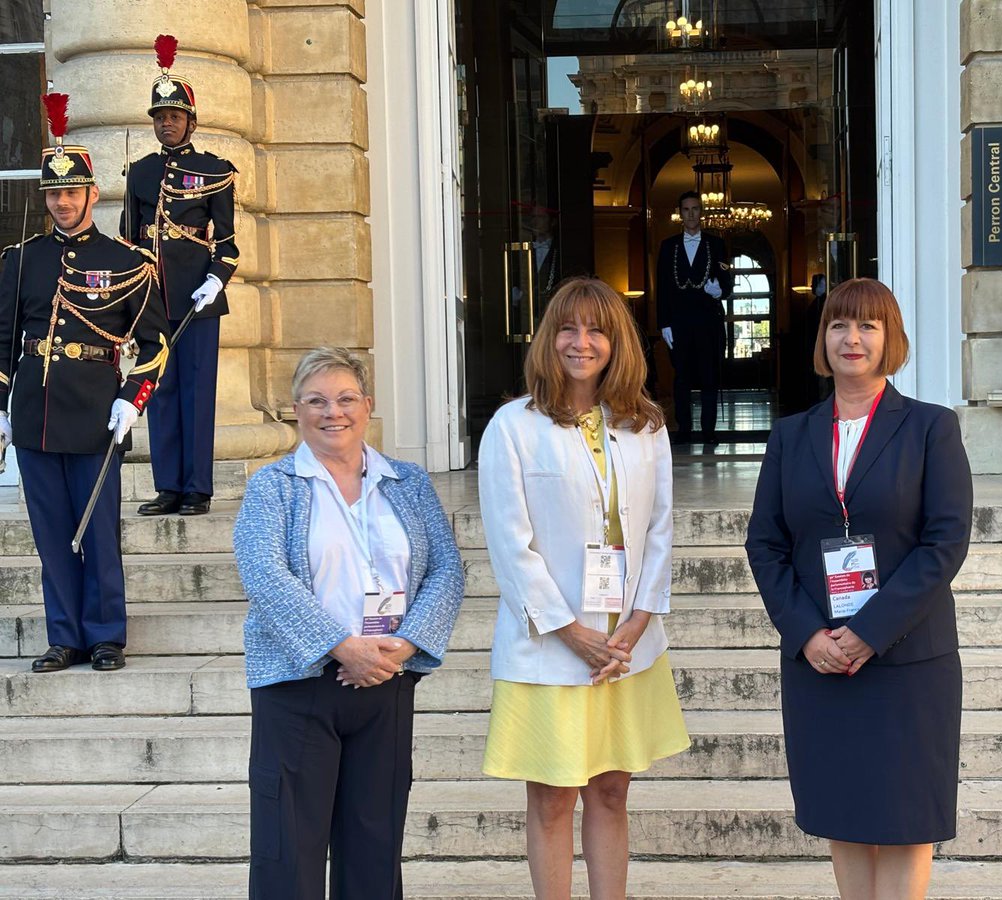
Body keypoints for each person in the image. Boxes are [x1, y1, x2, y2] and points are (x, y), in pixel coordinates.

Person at [745, 278, 972, 900]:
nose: (853, 338)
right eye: (840, 325)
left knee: (904, 823)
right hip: (820, 659)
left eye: (868, 325)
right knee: (843, 815)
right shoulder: (792, 436)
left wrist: (869, 632)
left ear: (890, 338)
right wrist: (807, 633)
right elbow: (764, 544)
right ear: (823, 339)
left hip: (907, 660)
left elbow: (944, 543)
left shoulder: (931, 429)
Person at [478, 277, 689, 900]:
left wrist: (639, 619)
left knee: (611, 790)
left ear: (616, 340)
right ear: (549, 338)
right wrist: (571, 632)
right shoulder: (512, 426)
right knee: (550, 798)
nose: (581, 342)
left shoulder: (644, 424)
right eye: (568, 328)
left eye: (596, 329)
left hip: (626, 646)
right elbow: (510, 546)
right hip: (549, 646)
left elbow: (660, 528)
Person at [233, 347, 464, 900]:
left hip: (386, 681)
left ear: (368, 405)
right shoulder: (274, 485)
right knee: (289, 850)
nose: (331, 411)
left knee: (374, 845)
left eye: (344, 398)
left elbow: (448, 569)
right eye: (316, 400)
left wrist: (403, 647)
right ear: (295, 410)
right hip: (298, 686)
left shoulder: (407, 481)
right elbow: (264, 573)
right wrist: (340, 646)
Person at [0, 93, 169, 674]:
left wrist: (131, 400)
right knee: (50, 536)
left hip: (97, 410)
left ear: (93, 194)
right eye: (54, 193)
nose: (62, 202)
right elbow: (2, 341)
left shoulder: (126, 262)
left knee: (96, 531)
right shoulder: (20, 260)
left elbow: (155, 345)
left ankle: (104, 636)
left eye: (72, 192)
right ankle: (63, 636)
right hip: (35, 414)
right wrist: (2, 406)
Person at [124, 34, 239, 517]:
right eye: (159, 117)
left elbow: (228, 245)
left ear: (191, 121)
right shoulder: (140, 172)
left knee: (196, 393)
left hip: (197, 299)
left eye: (174, 116)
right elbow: (129, 240)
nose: (166, 123)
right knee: (161, 391)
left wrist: (215, 280)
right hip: (153, 300)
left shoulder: (214, 171)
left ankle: (197, 489)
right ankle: (168, 485)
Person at [655, 190, 732, 445]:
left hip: (708, 320)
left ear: (702, 212)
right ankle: (684, 429)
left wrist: (719, 291)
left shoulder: (716, 244)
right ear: (680, 213)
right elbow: (663, 287)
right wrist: (663, 322)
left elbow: (727, 284)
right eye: (686, 209)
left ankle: (709, 431)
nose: (690, 214)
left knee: (709, 376)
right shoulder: (668, 246)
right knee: (682, 378)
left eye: (695, 209)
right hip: (679, 322)